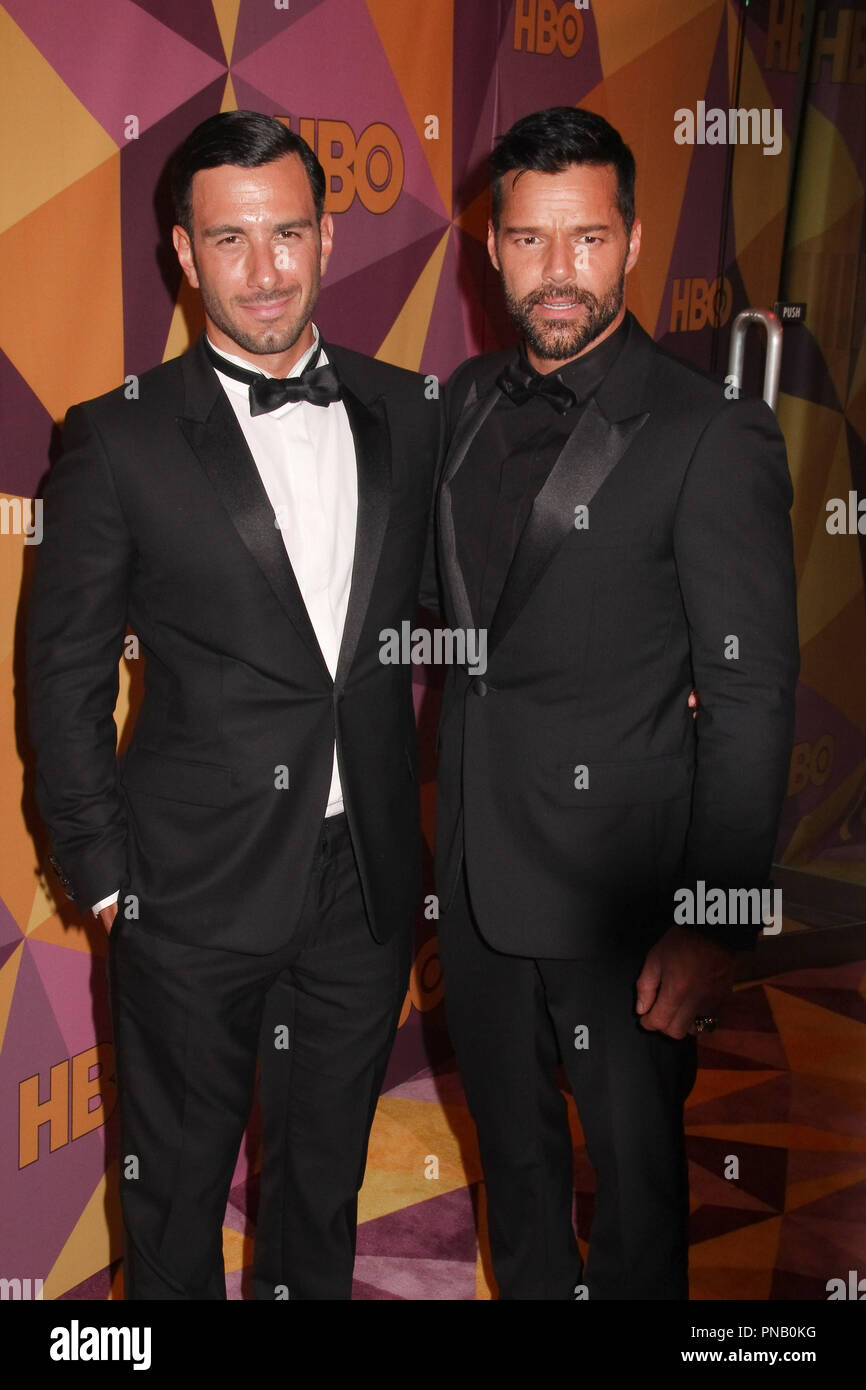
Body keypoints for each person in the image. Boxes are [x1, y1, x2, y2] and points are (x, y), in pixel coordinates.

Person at [27, 110, 440, 1300]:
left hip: (360, 886)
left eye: (289, 233)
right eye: (231, 239)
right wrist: (105, 877)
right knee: (175, 1194)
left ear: (325, 235)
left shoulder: (403, 411)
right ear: (182, 251)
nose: (265, 270)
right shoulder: (115, 440)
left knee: (321, 1185)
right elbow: (62, 673)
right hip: (187, 889)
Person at [424, 106, 798, 1300]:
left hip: (625, 900)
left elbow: (748, 690)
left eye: (584, 239)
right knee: (516, 1169)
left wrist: (718, 920)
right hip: (477, 879)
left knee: (637, 1202)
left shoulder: (707, 434)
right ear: (490, 248)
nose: (556, 272)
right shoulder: (464, 404)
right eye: (528, 241)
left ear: (631, 242)